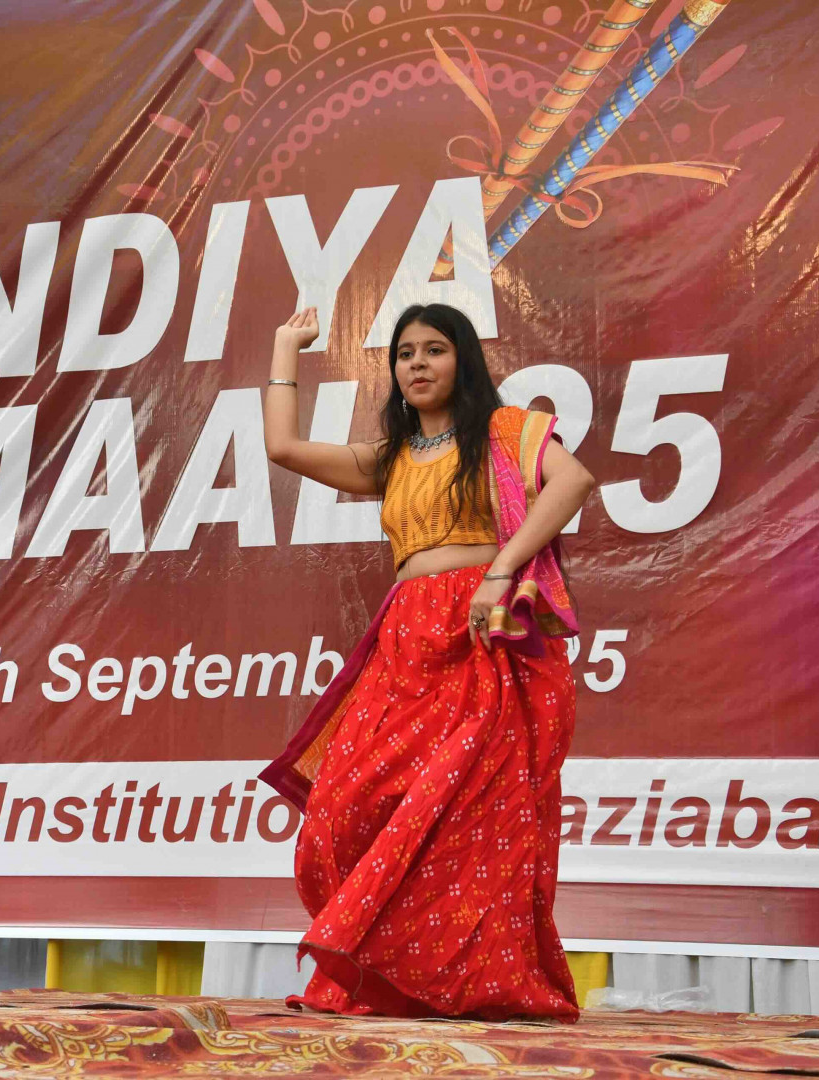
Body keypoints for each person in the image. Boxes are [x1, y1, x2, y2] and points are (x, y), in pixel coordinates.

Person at [258, 302, 595, 1020]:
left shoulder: (504, 432)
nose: (416, 363)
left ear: (462, 360)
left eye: (434, 349)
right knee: (341, 809)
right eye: (405, 353)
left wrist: (501, 571)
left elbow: (571, 482)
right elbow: (283, 448)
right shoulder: (393, 459)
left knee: (470, 819)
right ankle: (384, 973)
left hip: (483, 637)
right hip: (406, 645)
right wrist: (287, 347)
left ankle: (465, 984)